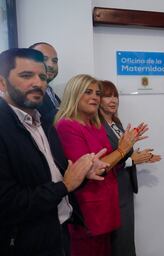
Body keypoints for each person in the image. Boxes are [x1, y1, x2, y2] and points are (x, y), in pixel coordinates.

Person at [0, 48, 107, 256]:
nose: (38, 83)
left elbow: (58, 173)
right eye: (26, 75)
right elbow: (7, 202)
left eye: (42, 76)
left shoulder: (44, 123)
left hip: (58, 232)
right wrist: (65, 186)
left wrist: (82, 173)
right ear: (2, 83)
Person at [54, 74, 146, 256]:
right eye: (88, 92)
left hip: (107, 201)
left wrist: (124, 151)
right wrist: (122, 151)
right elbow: (89, 170)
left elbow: (107, 162)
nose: (95, 97)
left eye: (97, 93)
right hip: (88, 208)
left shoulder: (94, 124)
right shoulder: (67, 126)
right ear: (75, 94)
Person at [98, 80, 160, 256]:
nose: (113, 100)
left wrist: (140, 156)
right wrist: (132, 160)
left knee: (125, 237)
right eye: (107, 96)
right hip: (111, 189)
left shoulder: (116, 124)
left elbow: (123, 154)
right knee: (117, 240)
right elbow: (105, 162)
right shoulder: (97, 126)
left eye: (115, 96)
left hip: (124, 187)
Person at [29, 42, 61, 125]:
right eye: (44, 59)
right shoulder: (26, 92)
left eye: (55, 61)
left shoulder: (50, 92)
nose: (51, 65)